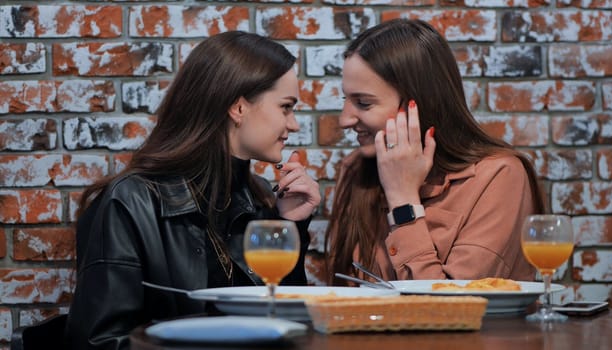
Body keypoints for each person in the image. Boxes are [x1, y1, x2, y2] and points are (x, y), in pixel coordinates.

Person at [65, 31, 320, 349]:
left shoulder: (259, 201)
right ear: (238, 108)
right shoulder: (130, 202)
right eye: (286, 107)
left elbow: (287, 328)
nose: (294, 124)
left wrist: (291, 226)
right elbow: (100, 342)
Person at [326, 19, 543, 285]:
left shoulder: (499, 176)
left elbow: (456, 307)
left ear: (416, 104)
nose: (345, 119)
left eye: (363, 103)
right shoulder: (356, 170)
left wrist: (402, 200)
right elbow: (342, 294)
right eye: (345, 100)